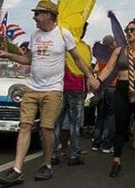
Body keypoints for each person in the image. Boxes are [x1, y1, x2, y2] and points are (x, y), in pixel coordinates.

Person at [0, 1, 95, 185]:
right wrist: (8, 54)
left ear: (49, 15)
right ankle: (17, 169)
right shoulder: (35, 35)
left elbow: (78, 59)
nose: (34, 17)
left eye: (38, 14)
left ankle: (47, 164)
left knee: (46, 129)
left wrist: (90, 76)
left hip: (53, 90)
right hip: (32, 87)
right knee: (25, 126)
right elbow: (29, 60)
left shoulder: (64, 35)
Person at [90, 17, 135, 179]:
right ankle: (116, 162)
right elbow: (108, 68)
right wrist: (98, 80)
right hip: (121, 89)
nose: (128, 33)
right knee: (120, 127)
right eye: (127, 30)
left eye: (132, 30)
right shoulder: (119, 51)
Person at [51, 22, 91, 166]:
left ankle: (53, 154)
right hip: (77, 89)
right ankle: (74, 155)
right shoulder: (86, 48)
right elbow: (86, 70)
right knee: (75, 124)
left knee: (57, 122)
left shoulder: (63, 44)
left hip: (61, 87)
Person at [92, 35, 116, 153]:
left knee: (100, 116)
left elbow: (97, 70)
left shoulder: (100, 56)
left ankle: (96, 142)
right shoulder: (114, 55)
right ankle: (106, 144)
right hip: (112, 87)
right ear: (112, 44)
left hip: (102, 88)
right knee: (111, 117)